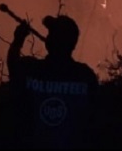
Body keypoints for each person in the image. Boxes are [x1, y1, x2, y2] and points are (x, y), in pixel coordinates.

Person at [7, 14, 99, 149]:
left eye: (51, 34)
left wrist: (18, 39)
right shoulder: (84, 76)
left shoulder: (34, 69)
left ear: (49, 42)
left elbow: (13, 65)